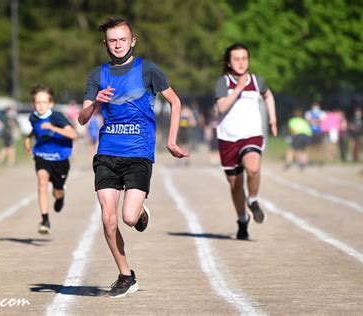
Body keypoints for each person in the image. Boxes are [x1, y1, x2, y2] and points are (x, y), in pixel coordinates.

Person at [78, 17, 189, 298]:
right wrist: (96, 104)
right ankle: (126, 276)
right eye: (112, 40)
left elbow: (175, 102)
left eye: (122, 39)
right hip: (107, 153)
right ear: (105, 43)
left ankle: (139, 211)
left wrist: (172, 140)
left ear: (132, 41)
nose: (117, 45)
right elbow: (81, 119)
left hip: (139, 152)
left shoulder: (148, 70)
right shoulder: (97, 75)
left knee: (128, 218)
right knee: (107, 218)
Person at [214, 43, 277, 240]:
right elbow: (222, 108)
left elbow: (268, 95)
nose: (241, 63)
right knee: (235, 184)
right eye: (236, 59)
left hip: (252, 135)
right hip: (228, 138)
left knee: (254, 168)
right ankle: (242, 220)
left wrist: (272, 118)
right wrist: (238, 88)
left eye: (244, 58)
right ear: (229, 62)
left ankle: (254, 199)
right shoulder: (223, 82)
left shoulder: (258, 81)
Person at [24, 85, 77, 235]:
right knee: (42, 181)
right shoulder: (32, 117)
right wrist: (28, 139)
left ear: (51, 104)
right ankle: (45, 220)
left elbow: (73, 134)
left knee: (57, 192)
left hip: (60, 159)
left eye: (44, 102)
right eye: (37, 102)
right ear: (33, 104)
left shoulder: (57, 117)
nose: (41, 106)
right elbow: (36, 128)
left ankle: (61, 196)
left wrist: (53, 128)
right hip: (42, 155)